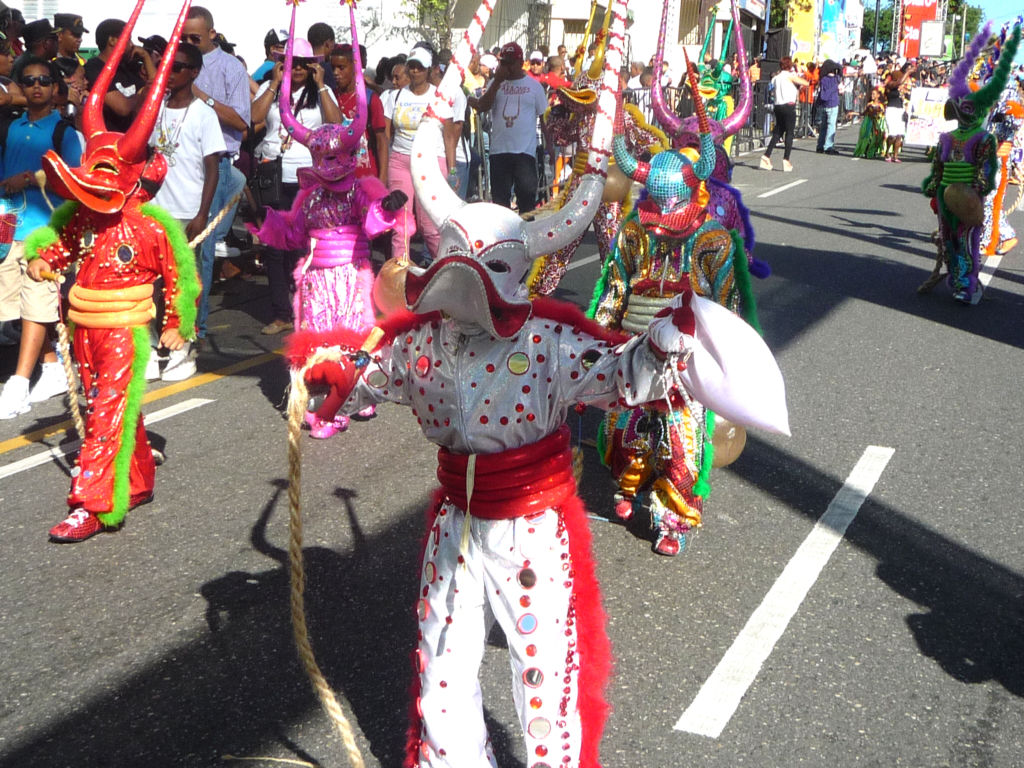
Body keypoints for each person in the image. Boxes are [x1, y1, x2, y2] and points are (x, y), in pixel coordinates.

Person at [26, 5, 200, 542]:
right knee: (109, 403)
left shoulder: (150, 226)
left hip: (125, 329)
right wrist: (44, 259)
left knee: (104, 412)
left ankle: (92, 503)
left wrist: (179, 324)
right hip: (83, 328)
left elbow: (179, 277)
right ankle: (138, 477)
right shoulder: (80, 214)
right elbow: (59, 242)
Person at [0, 56, 81, 419]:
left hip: (46, 232)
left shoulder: (64, 131)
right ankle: (51, 366)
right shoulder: (12, 128)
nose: (36, 86)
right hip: (9, 226)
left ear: (55, 89)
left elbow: (76, 181)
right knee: (15, 306)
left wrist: (34, 178)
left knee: (36, 304)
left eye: (44, 81)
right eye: (29, 80)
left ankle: (17, 385)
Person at [251, 38, 340, 335]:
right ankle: (281, 313)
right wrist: (275, 84)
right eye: (292, 63)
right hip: (274, 175)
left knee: (304, 246)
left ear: (313, 65)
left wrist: (323, 83)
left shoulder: (320, 91)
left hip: (308, 178)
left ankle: (307, 307)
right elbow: (254, 117)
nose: (298, 68)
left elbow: (336, 122)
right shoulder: (271, 89)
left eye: (304, 63)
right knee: (275, 248)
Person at [148, 41, 224, 381]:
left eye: (177, 67)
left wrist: (201, 214)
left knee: (184, 285)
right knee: (151, 286)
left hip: (187, 212)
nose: (170, 72)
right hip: (155, 212)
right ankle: (153, 346)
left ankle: (183, 349)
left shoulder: (204, 114)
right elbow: (149, 157)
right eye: (166, 65)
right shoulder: (157, 108)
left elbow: (213, 169)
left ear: (194, 72)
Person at [181, 6, 250, 341]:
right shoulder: (177, 63)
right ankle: (173, 323)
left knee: (202, 248)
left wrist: (201, 97)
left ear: (211, 33)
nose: (189, 43)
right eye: (184, 37)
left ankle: (197, 326)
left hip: (216, 163)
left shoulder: (229, 67)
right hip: (180, 163)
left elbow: (241, 123)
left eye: (195, 38)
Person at [382, 46, 452, 265]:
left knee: (429, 226)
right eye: (411, 67)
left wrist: (453, 168)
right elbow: (385, 134)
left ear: (429, 70)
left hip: (429, 162)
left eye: (419, 68)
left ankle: (446, 270)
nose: (414, 72)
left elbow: (449, 136)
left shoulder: (438, 97)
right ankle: (399, 277)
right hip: (400, 160)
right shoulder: (395, 96)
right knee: (400, 224)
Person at [469, 41, 548, 213]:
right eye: (503, 63)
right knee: (500, 206)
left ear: (520, 63)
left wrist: (549, 147)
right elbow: (483, 106)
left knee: (527, 204)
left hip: (524, 154)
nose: (506, 67)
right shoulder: (495, 84)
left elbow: (544, 118)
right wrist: (497, 81)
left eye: (509, 63)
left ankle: (526, 239)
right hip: (499, 153)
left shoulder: (534, 87)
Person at [84, 18, 154, 134]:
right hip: (109, 143)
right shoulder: (94, 68)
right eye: (128, 39)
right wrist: (142, 95)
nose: (132, 45)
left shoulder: (126, 67)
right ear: (112, 40)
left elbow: (157, 89)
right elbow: (122, 108)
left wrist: (145, 56)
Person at [331, 43, 387, 184]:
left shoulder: (369, 99)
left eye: (341, 68)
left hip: (366, 176)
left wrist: (383, 179)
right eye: (333, 68)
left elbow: (381, 141)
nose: (336, 73)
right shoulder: (330, 97)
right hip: (338, 177)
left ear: (354, 67)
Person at [760, 56, 807, 172]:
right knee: (789, 133)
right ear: (790, 65)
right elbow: (805, 83)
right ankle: (786, 159)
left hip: (778, 106)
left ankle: (766, 156)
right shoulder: (790, 76)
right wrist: (799, 74)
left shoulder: (776, 78)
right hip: (789, 106)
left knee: (778, 132)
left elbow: (772, 89)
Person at [882, 64, 912, 162]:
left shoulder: (901, 88)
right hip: (891, 110)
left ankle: (895, 155)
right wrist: (908, 72)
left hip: (900, 110)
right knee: (892, 135)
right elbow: (899, 82)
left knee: (899, 134)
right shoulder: (890, 85)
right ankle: (887, 152)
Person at [852, 87, 886, 159]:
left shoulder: (881, 105)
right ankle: (864, 151)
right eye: (871, 94)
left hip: (876, 124)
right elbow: (863, 113)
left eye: (874, 94)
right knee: (866, 137)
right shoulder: (869, 104)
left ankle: (872, 152)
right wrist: (853, 113)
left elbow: (882, 115)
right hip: (867, 123)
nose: (872, 96)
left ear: (878, 95)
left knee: (875, 138)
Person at [816, 59, 841, 154]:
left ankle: (820, 145)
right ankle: (828, 146)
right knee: (831, 126)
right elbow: (840, 70)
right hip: (833, 103)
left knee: (823, 126)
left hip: (823, 103)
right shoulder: (836, 79)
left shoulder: (823, 79)